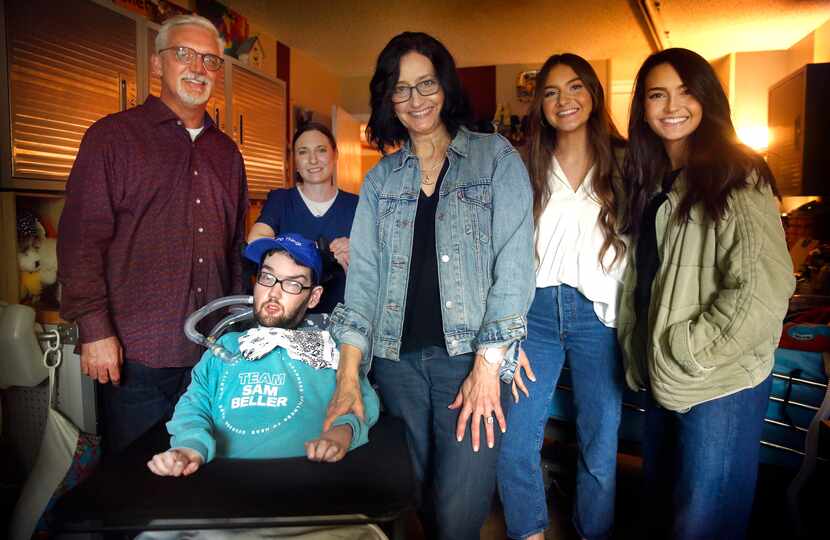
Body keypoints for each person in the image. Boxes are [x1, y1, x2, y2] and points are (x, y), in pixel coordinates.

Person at [323, 32, 535, 540]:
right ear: (388, 99)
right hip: (396, 366)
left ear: (446, 87)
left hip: (470, 363)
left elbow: (515, 267)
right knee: (409, 496)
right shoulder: (381, 180)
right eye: (402, 89)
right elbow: (365, 283)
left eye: (426, 85)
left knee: (460, 509)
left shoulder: (495, 159)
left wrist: (490, 367)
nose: (415, 100)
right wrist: (348, 376)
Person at [618, 47, 795, 539]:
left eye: (686, 92)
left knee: (703, 522)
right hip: (662, 376)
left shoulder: (737, 173)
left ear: (707, 100)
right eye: (657, 95)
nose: (672, 105)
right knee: (661, 510)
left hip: (718, 382)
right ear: (643, 108)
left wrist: (687, 349)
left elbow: (765, 287)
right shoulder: (652, 181)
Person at [58, 14, 248, 455]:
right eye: (184, 54)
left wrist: (238, 332)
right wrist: (94, 329)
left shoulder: (228, 153)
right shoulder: (112, 138)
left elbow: (234, 250)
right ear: (158, 64)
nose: (198, 67)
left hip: (212, 355)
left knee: (206, 474)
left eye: (209, 60)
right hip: (135, 354)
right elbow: (81, 241)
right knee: (135, 486)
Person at [497, 53, 628, 540]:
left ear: (593, 94)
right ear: (539, 105)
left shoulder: (625, 157)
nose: (563, 100)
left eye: (574, 88)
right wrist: (505, 327)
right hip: (534, 317)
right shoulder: (523, 163)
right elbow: (504, 247)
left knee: (600, 445)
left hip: (600, 315)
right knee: (515, 441)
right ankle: (528, 532)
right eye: (550, 92)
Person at [147, 234, 379, 476]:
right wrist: (189, 448)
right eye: (268, 277)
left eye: (293, 284)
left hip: (305, 482)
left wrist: (338, 436)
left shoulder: (330, 351)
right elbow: (194, 407)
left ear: (313, 297)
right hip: (222, 484)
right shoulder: (225, 347)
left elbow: (361, 404)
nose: (274, 293)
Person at [247, 122, 358, 313]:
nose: (313, 160)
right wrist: (320, 252)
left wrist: (358, 250)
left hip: (345, 319)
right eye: (303, 152)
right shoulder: (281, 200)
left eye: (321, 150)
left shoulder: (358, 205)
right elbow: (256, 240)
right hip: (290, 320)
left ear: (335, 154)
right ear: (295, 161)